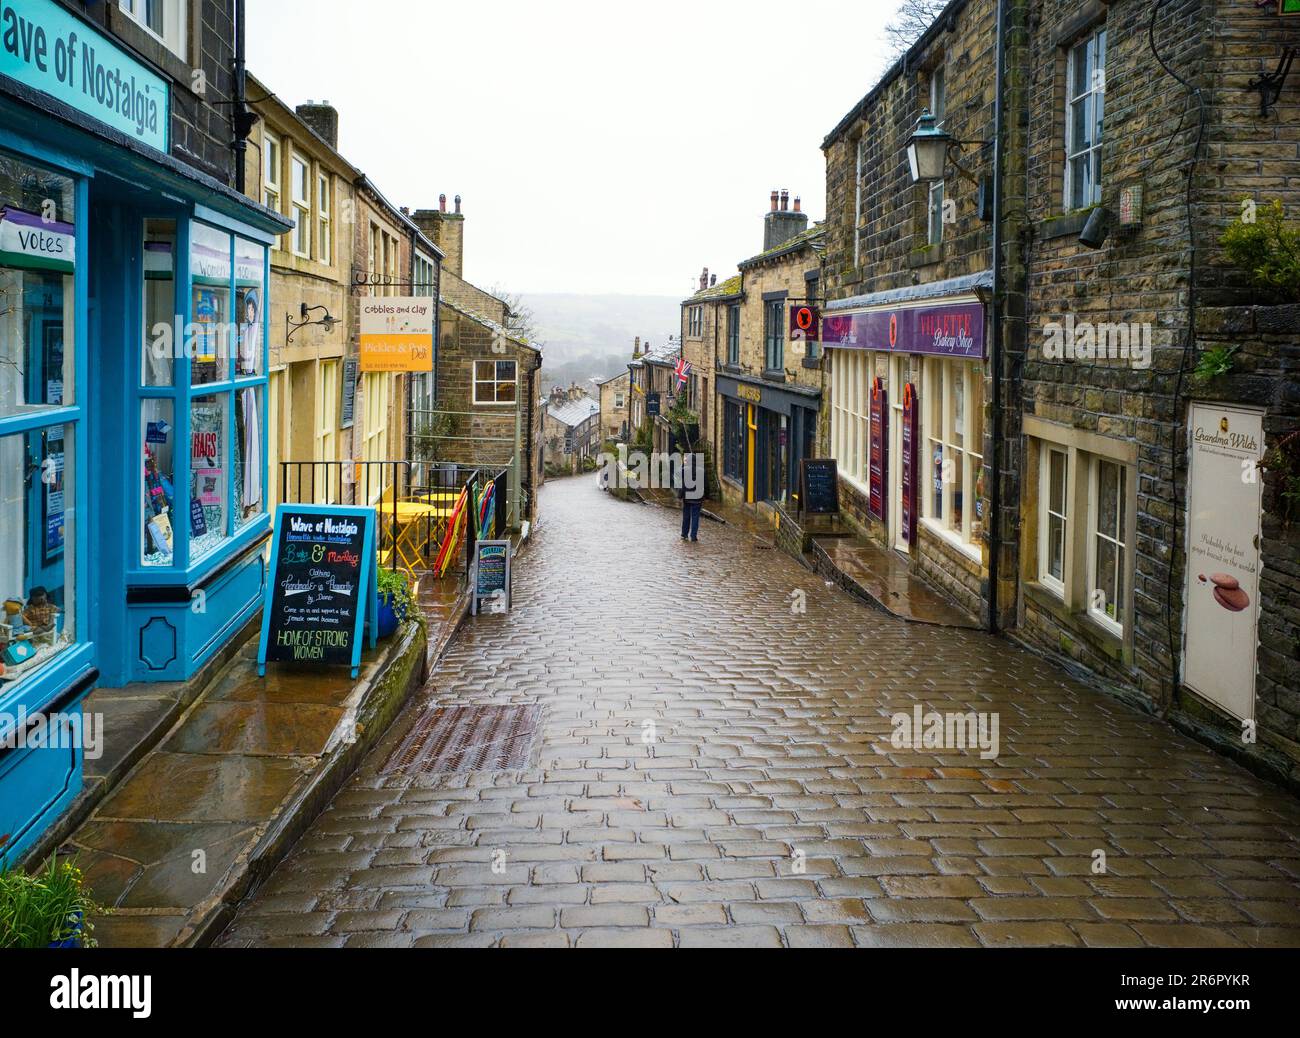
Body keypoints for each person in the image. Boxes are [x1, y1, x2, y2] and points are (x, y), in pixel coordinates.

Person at [678, 450, 704, 542]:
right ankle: (693, 536)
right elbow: (706, 484)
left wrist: (683, 463)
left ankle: (684, 534)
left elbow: (678, 475)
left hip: (687, 497)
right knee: (695, 517)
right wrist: (706, 496)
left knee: (686, 516)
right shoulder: (701, 471)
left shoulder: (684, 470)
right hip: (697, 498)